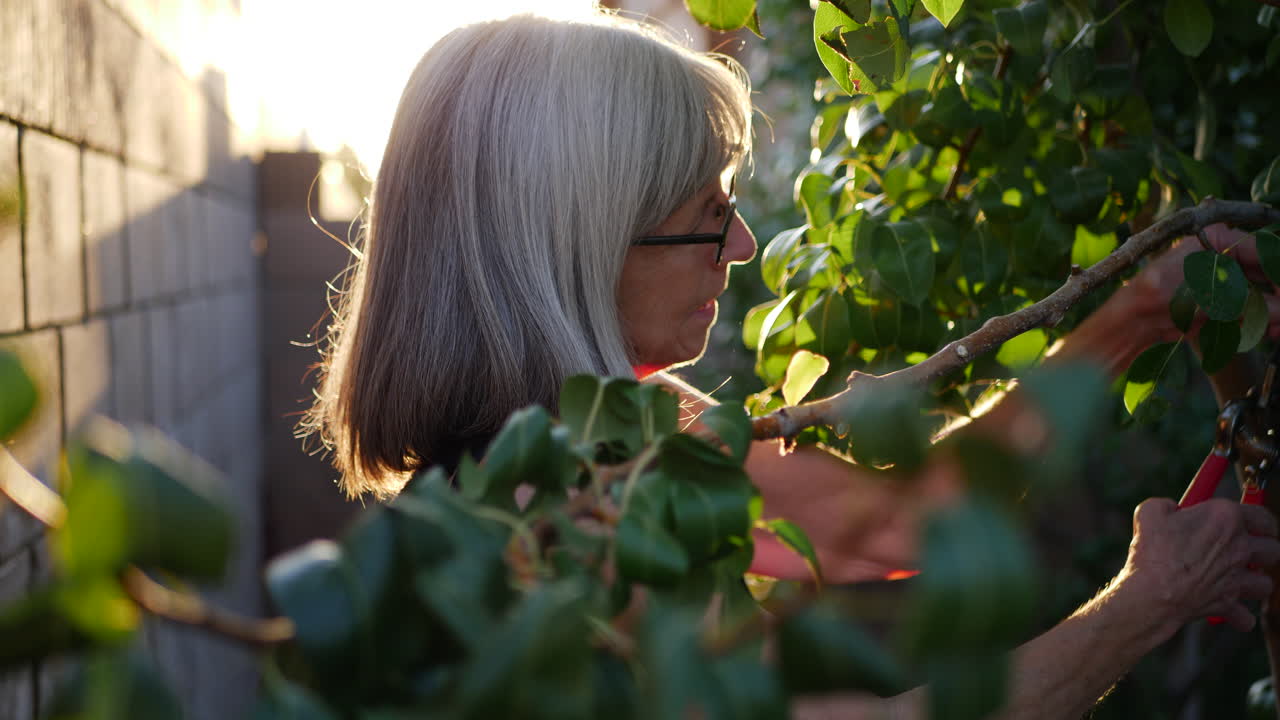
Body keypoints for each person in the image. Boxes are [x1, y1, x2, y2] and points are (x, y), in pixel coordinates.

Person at [302, 8, 1280, 718]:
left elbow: (899, 526)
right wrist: (1141, 606)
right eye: (707, 219)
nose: (738, 252)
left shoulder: (623, 431)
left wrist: (1136, 315)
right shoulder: (565, 521)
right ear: (582, 246)